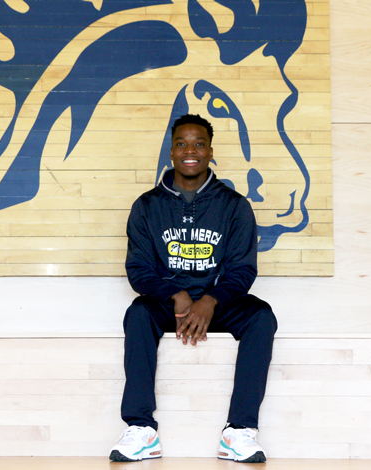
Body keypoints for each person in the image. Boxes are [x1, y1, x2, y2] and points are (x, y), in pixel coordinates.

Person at [109, 114, 277, 463]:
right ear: (171, 152)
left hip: (216, 307)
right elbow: (137, 269)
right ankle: (141, 430)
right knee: (137, 313)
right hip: (168, 305)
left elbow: (243, 269)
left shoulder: (234, 206)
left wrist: (210, 301)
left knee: (261, 316)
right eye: (182, 143)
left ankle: (239, 432)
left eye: (199, 143)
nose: (190, 150)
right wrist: (175, 294)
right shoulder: (146, 206)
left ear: (210, 151)